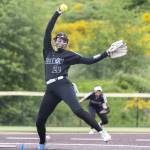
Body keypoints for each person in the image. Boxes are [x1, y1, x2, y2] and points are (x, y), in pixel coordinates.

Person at [36, 4, 127, 150]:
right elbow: (48, 31)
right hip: (51, 88)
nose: (59, 41)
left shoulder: (69, 55)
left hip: (63, 85)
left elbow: (89, 60)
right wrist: (56, 13)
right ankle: (41, 146)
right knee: (39, 121)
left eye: (63, 40)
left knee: (77, 110)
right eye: (57, 39)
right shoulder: (47, 51)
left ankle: (101, 130)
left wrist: (106, 53)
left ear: (66, 44)